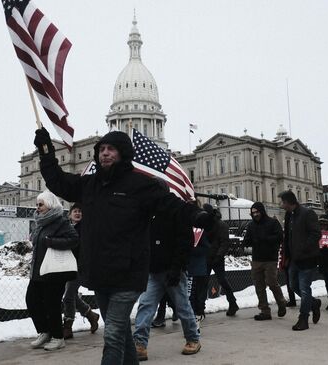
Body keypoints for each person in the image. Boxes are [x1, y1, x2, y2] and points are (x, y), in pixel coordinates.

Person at [33, 127, 212, 364]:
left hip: (128, 273)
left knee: (114, 333)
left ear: (123, 153)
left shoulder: (139, 184)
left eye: (111, 149)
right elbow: (58, 181)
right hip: (100, 272)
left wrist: (197, 215)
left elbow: (171, 204)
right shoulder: (89, 184)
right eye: (102, 149)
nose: (105, 154)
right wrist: (46, 151)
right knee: (121, 333)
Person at [134, 199, 200, 361]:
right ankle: (139, 344)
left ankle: (193, 338)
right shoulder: (149, 215)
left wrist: (177, 268)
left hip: (172, 270)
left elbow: (185, 242)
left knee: (182, 306)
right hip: (154, 270)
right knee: (146, 305)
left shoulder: (176, 214)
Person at [27, 191, 79, 351]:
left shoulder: (60, 221)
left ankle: (58, 337)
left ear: (49, 204)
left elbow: (74, 239)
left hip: (55, 270)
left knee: (52, 304)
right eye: (37, 204)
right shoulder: (40, 222)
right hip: (38, 270)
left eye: (40, 204)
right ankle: (45, 331)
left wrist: (52, 242)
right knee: (32, 300)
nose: (38, 207)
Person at [280, 190, 322, 331]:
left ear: (289, 202)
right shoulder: (289, 215)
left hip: (307, 259)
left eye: (283, 202)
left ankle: (303, 319)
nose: (281, 204)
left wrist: (304, 248)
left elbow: (316, 233)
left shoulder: (307, 213)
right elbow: (287, 238)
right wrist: (286, 256)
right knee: (293, 286)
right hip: (293, 259)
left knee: (304, 289)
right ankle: (314, 303)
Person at [243, 202, 288, 321]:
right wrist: (248, 241)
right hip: (257, 259)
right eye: (253, 213)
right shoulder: (251, 225)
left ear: (262, 211)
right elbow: (247, 239)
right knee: (259, 286)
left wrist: (265, 239)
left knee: (272, 282)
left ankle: (281, 302)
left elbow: (279, 237)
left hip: (270, 259)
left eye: (257, 212)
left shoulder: (273, 223)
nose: (255, 215)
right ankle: (264, 310)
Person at [62, 203, 100, 339]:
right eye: (75, 211)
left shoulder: (85, 228)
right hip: (66, 266)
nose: (78, 213)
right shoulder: (67, 227)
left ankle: (67, 327)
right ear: (70, 214)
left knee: (68, 297)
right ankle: (91, 315)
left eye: (80, 212)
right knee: (70, 295)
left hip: (80, 267)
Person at [203, 203, 239, 316]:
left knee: (221, 281)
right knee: (204, 283)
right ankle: (200, 307)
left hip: (215, 257)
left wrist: (218, 256)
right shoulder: (207, 224)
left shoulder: (220, 225)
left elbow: (224, 242)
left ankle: (232, 303)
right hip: (208, 257)